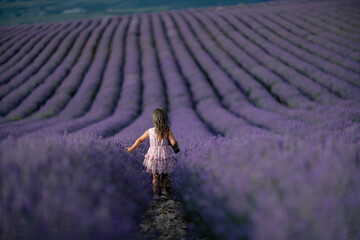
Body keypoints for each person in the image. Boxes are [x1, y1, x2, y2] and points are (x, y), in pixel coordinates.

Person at [125, 108, 179, 200]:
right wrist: (175, 146)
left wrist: (131, 148)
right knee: (165, 174)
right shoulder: (167, 130)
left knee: (155, 175)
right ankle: (164, 191)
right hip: (164, 155)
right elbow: (173, 142)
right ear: (165, 119)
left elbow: (140, 140)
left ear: (154, 120)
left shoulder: (150, 131)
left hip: (153, 156)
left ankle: (155, 193)